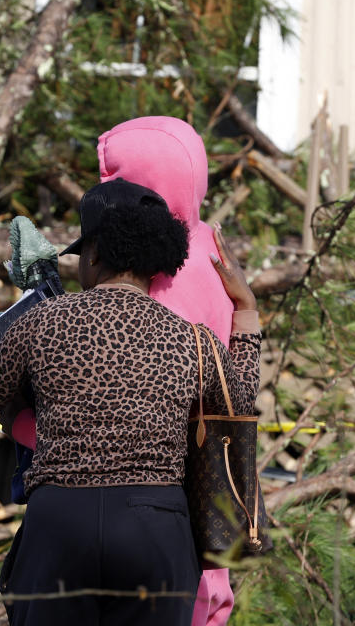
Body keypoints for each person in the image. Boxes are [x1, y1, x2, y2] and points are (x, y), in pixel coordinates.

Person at [0, 178, 261, 626]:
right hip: (155, 526)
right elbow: (241, 401)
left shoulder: (42, 322)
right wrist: (246, 309)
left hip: (60, 524)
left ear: (95, 253)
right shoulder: (193, 341)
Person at [98, 115, 239, 625]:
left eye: (114, 182)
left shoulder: (158, 279)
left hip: (161, 479)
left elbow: (119, 396)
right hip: (212, 455)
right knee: (208, 594)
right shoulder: (208, 246)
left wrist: (27, 426)